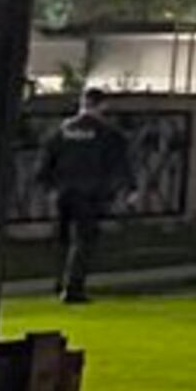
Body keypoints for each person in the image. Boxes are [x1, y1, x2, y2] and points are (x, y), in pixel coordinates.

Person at [36, 90, 135, 303]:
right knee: (84, 239)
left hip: (63, 191)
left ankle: (58, 282)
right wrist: (129, 190)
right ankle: (74, 288)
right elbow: (120, 163)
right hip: (90, 192)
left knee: (62, 238)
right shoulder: (108, 133)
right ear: (102, 106)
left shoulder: (61, 130)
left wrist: (48, 186)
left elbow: (45, 162)